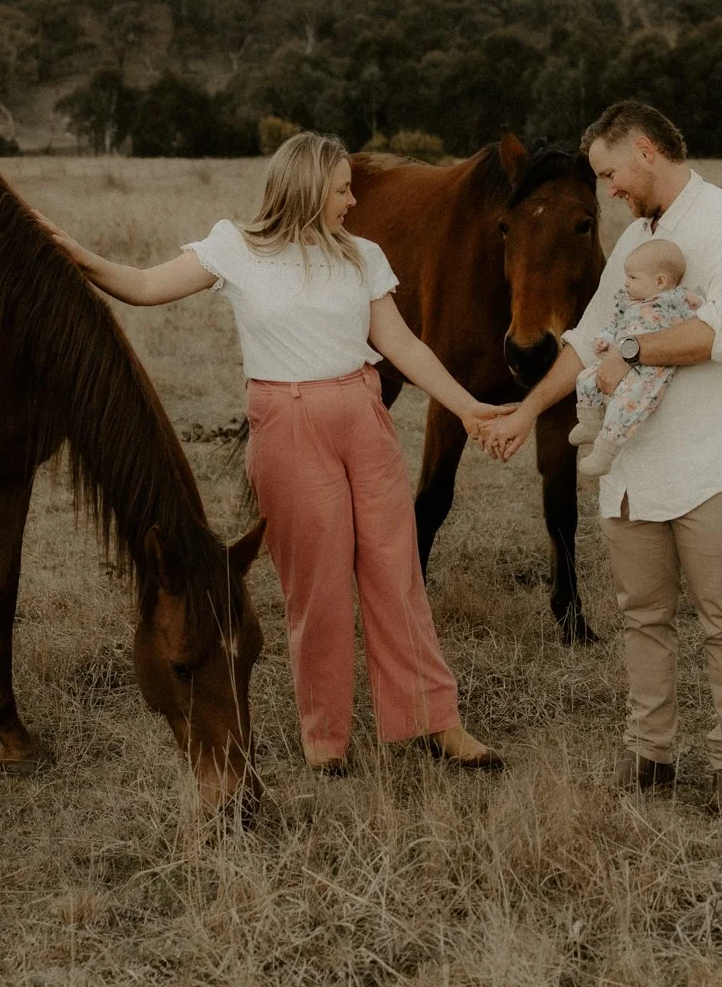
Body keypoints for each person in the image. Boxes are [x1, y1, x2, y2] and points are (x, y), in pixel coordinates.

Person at [39, 132, 508, 776]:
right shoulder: (237, 248)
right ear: (309, 187)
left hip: (363, 417)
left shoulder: (363, 255)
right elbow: (144, 286)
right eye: (343, 188)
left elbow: (403, 347)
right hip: (287, 423)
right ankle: (326, 738)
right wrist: (74, 253)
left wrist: (468, 406)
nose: (352, 198)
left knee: (396, 572)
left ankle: (435, 721)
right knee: (314, 586)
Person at [483, 101, 722, 817]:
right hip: (632, 469)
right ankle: (652, 757)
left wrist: (634, 350)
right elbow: (586, 338)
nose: (608, 189)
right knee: (642, 615)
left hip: (714, 465)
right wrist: (526, 409)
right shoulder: (636, 241)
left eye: (610, 173)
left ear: (645, 149)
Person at [570, 238, 700, 479]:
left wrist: (698, 302)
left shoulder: (674, 300)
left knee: (624, 405)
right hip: (619, 357)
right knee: (586, 378)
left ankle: (604, 452)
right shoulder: (626, 302)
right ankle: (589, 421)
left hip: (651, 369)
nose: (626, 283)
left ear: (659, 281)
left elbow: (698, 321)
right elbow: (614, 325)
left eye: (633, 278)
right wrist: (604, 339)